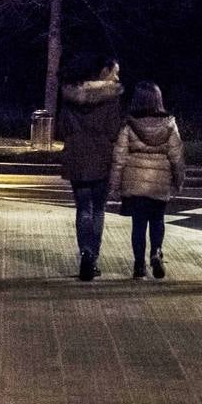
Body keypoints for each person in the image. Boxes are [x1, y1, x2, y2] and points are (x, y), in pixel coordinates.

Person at [107, 82, 185, 279]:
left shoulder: (129, 124)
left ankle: (139, 265)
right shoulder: (168, 124)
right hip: (160, 181)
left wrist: (114, 184)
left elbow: (119, 157)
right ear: (158, 100)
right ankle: (156, 252)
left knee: (138, 225)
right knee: (157, 220)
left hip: (135, 182)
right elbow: (177, 155)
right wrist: (179, 179)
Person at [58, 54, 125, 281]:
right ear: (102, 72)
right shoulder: (111, 98)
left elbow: (62, 126)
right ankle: (92, 257)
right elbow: (114, 129)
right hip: (101, 156)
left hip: (77, 155)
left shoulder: (69, 95)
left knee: (83, 207)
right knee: (98, 209)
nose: (117, 76)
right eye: (114, 71)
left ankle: (85, 252)